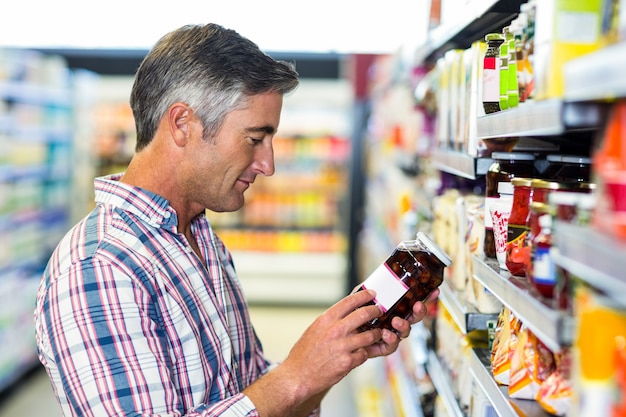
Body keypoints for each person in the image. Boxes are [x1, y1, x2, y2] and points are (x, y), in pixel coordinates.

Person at [34, 23, 438, 417]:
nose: (268, 164)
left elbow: (250, 392)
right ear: (182, 125)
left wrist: (332, 359)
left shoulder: (197, 238)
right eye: (254, 138)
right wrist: (296, 376)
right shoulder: (100, 268)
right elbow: (274, 392)